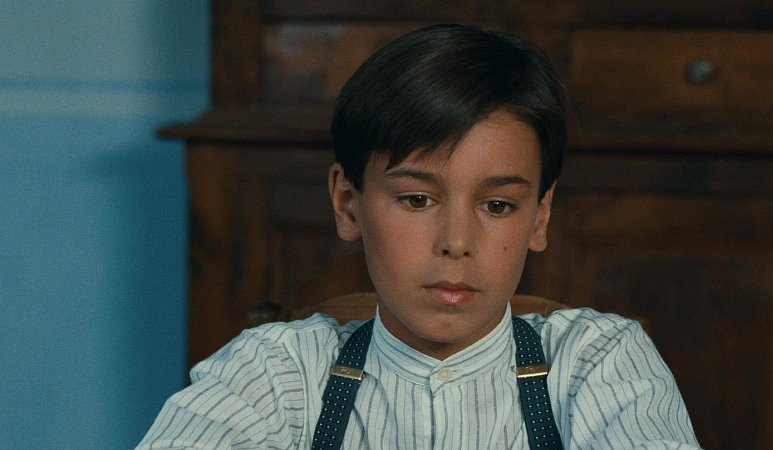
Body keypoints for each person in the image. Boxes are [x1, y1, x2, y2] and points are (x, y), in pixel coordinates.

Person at [137, 24, 701, 449]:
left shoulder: (597, 363)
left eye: (498, 206)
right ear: (347, 202)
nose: (456, 241)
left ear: (539, 217)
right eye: (416, 199)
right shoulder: (274, 373)